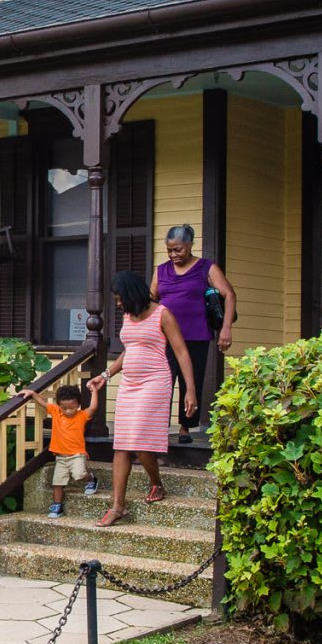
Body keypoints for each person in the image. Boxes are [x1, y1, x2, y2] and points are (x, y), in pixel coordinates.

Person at [93, 270, 197, 527]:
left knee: (138, 440)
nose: (118, 304)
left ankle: (156, 483)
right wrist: (106, 374)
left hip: (155, 382)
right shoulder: (129, 316)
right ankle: (118, 506)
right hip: (129, 384)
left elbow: (182, 353)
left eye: (119, 298)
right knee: (122, 443)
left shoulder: (163, 314)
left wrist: (191, 390)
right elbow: (130, 350)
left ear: (131, 294)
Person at [154, 225, 235, 431]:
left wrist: (226, 328)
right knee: (163, 381)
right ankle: (158, 426)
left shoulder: (206, 267)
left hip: (196, 334)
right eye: (169, 250)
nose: (173, 254)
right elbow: (151, 299)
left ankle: (186, 427)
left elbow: (229, 294)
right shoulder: (161, 270)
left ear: (190, 246)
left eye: (178, 249)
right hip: (165, 337)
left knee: (192, 382)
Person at [25, 378, 101, 517]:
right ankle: (57, 506)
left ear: (78, 404)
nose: (68, 411)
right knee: (57, 482)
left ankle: (91, 479)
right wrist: (33, 394)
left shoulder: (82, 415)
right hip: (60, 456)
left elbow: (94, 407)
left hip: (77, 455)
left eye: (72, 407)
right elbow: (43, 403)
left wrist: (94, 391)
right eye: (64, 408)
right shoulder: (56, 412)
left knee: (78, 475)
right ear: (59, 405)